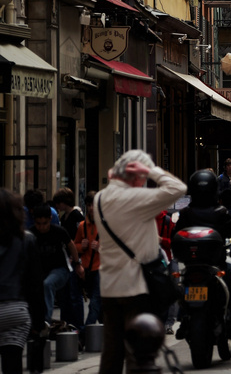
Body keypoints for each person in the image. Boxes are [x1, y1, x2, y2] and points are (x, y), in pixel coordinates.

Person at [95, 150, 186, 374]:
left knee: (112, 352)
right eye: (143, 178)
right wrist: (152, 170)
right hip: (135, 287)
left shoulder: (99, 198)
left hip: (109, 287)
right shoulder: (134, 199)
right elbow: (178, 189)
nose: (145, 183)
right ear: (137, 176)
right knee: (139, 353)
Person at [173, 169, 231, 338]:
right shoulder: (220, 212)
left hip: (191, 266)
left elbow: (175, 234)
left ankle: (182, 319)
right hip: (216, 265)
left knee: (183, 284)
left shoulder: (186, 213)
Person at [0, 189, 45, 374]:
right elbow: (35, 285)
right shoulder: (27, 240)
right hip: (16, 311)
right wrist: (39, 323)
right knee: (13, 364)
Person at [30, 204, 84, 327]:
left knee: (47, 284)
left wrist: (77, 264)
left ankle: (46, 320)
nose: (42, 227)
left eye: (45, 223)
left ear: (50, 219)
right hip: (41, 272)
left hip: (61, 270)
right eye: (38, 223)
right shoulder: (31, 233)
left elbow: (71, 245)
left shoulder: (58, 231)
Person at [52, 189, 85, 335]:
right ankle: (67, 324)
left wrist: (76, 258)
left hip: (73, 260)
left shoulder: (75, 216)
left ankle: (78, 326)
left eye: (59, 203)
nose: (57, 206)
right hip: (67, 260)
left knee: (74, 295)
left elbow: (77, 240)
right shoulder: (65, 217)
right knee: (66, 296)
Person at [73, 193, 102, 341]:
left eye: (94, 205)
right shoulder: (83, 226)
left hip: (101, 270)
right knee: (97, 304)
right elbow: (74, 246)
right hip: (87, 270)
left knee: (95, 303)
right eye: (89, 205)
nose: (91, 208)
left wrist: (101, 248)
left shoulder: (106, 225)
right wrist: (81, 246)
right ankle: (108, 333)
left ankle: (84, 336)